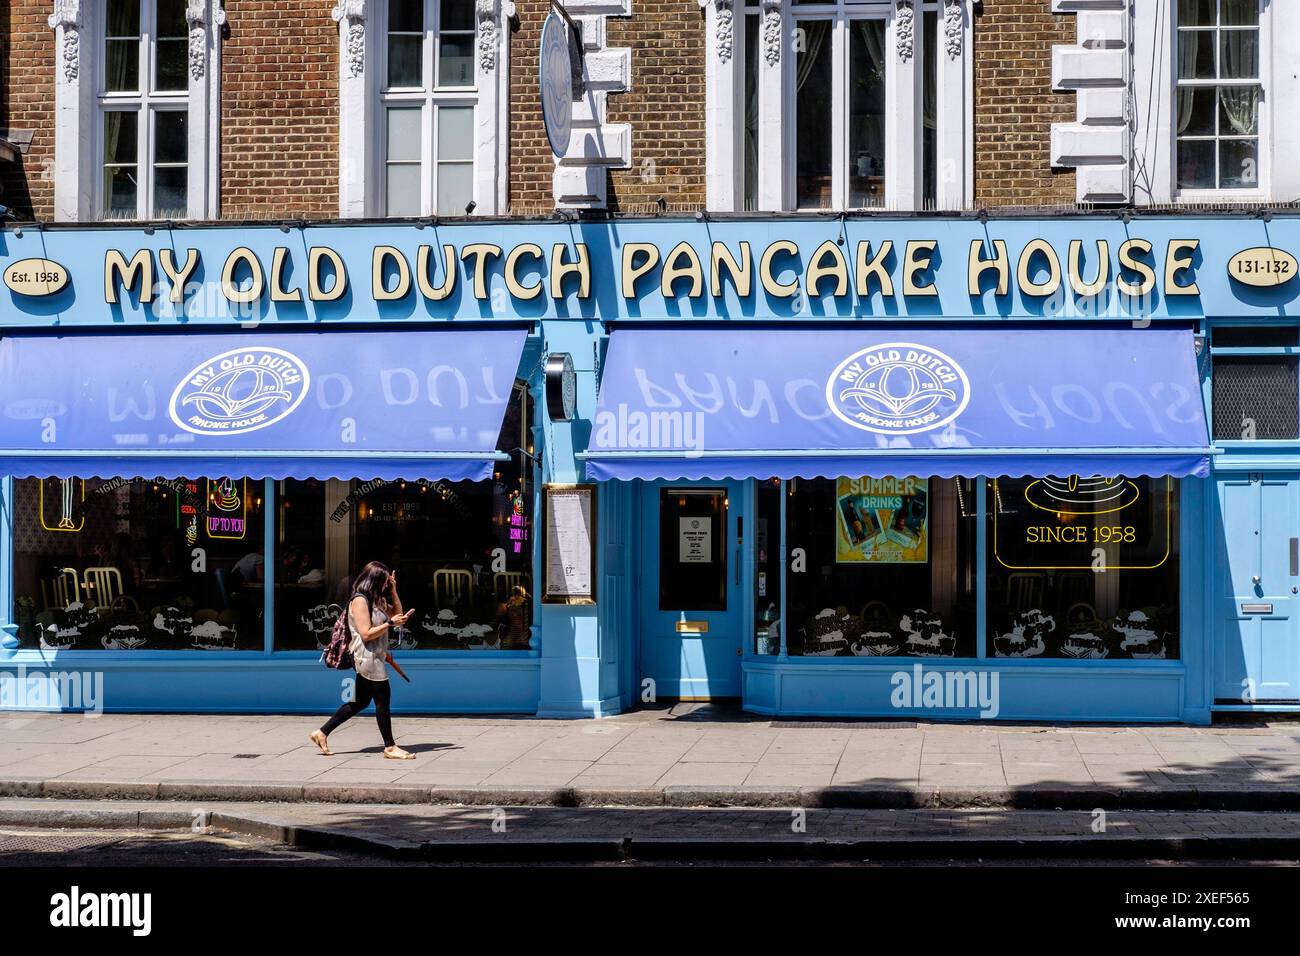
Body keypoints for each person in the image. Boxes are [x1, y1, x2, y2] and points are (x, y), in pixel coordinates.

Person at [310, 561, 415, 759]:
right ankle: (390, 747)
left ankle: (321, 732)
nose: (386, 585)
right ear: (374, 581)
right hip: (366, 657)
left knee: (359, 702)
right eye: (384, 582)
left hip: (376, 656)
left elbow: (398, 614)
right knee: (383, 699)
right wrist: (390, 624)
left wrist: (394, 591)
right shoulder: (360, 601)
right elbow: (366, 633)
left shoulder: (377, 600)